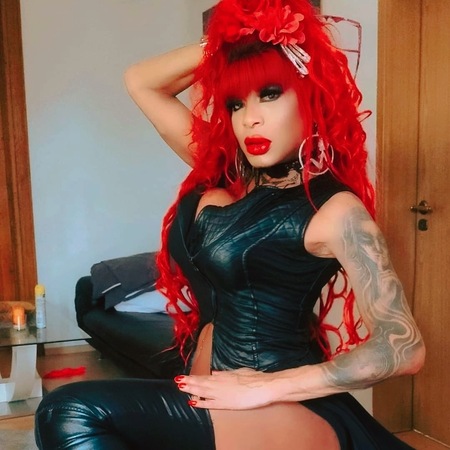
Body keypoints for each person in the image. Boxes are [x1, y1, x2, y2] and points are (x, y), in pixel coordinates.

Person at [34, 0, 425, 449]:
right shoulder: (229, 175)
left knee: (70, 412)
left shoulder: (335, 210)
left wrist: (267, 387)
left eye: (270, 94)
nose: (249, 118)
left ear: (311, 96)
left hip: (276, 405)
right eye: (236, 103)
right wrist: (236, 41)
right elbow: (142, 82)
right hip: (212, 393)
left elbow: (404, 346)